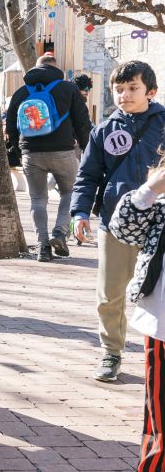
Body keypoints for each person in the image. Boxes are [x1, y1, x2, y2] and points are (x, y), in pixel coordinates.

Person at [72, 60, 165, 381]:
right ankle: (111, 351)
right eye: (119, 89)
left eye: (133, 88)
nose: (125, 95)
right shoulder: (103, 131)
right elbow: (87, 177)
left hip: (159, 223)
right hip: (116, 223)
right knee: (110, 292)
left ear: (150, 91)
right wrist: (80, 213)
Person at [5, 53, 92, 262]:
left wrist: (19, 152)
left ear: (35, 68)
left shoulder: (21, 92)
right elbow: (82, 122)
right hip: (63, 151)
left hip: (31, 153)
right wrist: (87, 149)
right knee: (70, 192)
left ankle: (42, 246)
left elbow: (11, 128)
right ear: (55, 68)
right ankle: (60, 233)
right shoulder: (68, 89)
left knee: (37, 199)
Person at [108, 158, 165, 472]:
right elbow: (122, 229)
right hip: (162, 321)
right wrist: (150, 190)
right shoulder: (160, 197)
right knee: (161, 417)